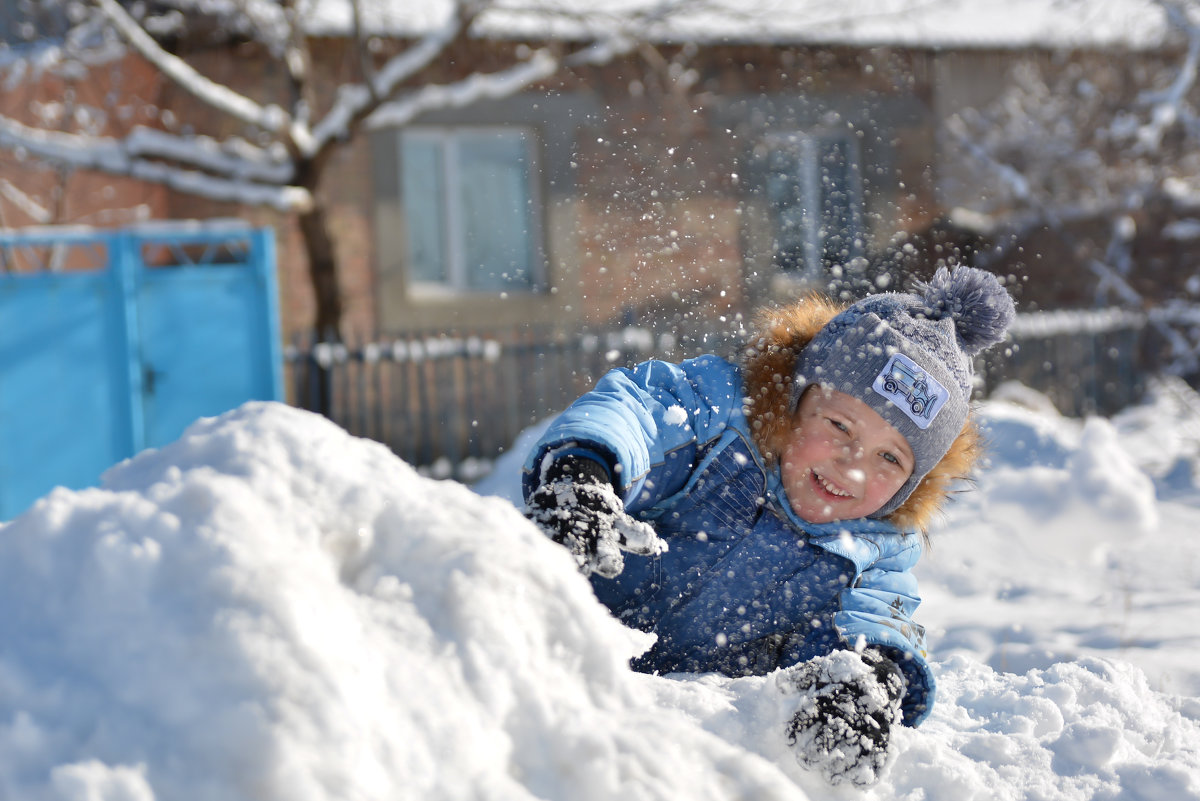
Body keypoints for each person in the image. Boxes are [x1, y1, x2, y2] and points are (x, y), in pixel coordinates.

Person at [521, 265, 1015, 785]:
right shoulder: (717, 422)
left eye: (889, 458)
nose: (853, 465)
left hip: (679, 742)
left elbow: (878, 624)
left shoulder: (872, 552)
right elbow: (640, 411)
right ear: (793, 402)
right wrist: (584, 474)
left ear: (913, 485)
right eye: (839, 425)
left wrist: (865, 684)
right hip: (552, 656)